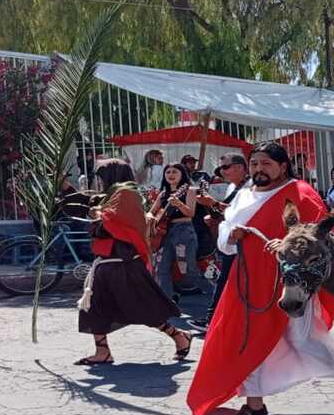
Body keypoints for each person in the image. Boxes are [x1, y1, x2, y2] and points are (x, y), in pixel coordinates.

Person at [187, 142, 334, 415]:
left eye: (266, 163)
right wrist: (230, 237)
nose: (259, 169)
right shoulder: (244, 194)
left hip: (290, 283)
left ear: (283, 166)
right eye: (254, 163)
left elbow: (320, 238)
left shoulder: (301, 193)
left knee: (302, 338)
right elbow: (224, 231)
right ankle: (254, 405)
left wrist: (290, 243)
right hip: (247, 279)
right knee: (245, 340)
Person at [75, 159, 192, 365]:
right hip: (107, 261)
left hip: (124, 261)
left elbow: (119, 227)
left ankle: (179, 336)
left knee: (142, 306)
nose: (100, 180)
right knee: (94, 305)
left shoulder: (126, 193)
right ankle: (102, 352)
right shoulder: (114, 194)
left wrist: (99, 218)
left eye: (102, 175)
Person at [190, 153, 249, 330]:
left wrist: (213, 203)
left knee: (227, 282)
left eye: (225, 167)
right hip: (231, 243)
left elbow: (239, 213)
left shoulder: (250, 188)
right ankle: (214, 318)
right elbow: (229, 212)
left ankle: (213, 319)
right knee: (225, 281)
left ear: (240, 167)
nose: (222, 172)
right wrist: (214, 213)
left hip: (243, 244)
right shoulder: (232, 187)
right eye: (220, 168)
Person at [148, 162, 205, 300]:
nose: (171, 175)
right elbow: (151, 212)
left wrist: (178, 204)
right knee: (160, 265)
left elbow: (190, 213)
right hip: (164, 232)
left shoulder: (189, 190)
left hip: (183, 230)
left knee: (187, 265)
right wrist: (150, 218)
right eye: (168, 172)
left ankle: (203, 286)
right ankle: (167, 298)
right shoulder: (163, 194)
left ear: (182, 174)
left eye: (175, 172)